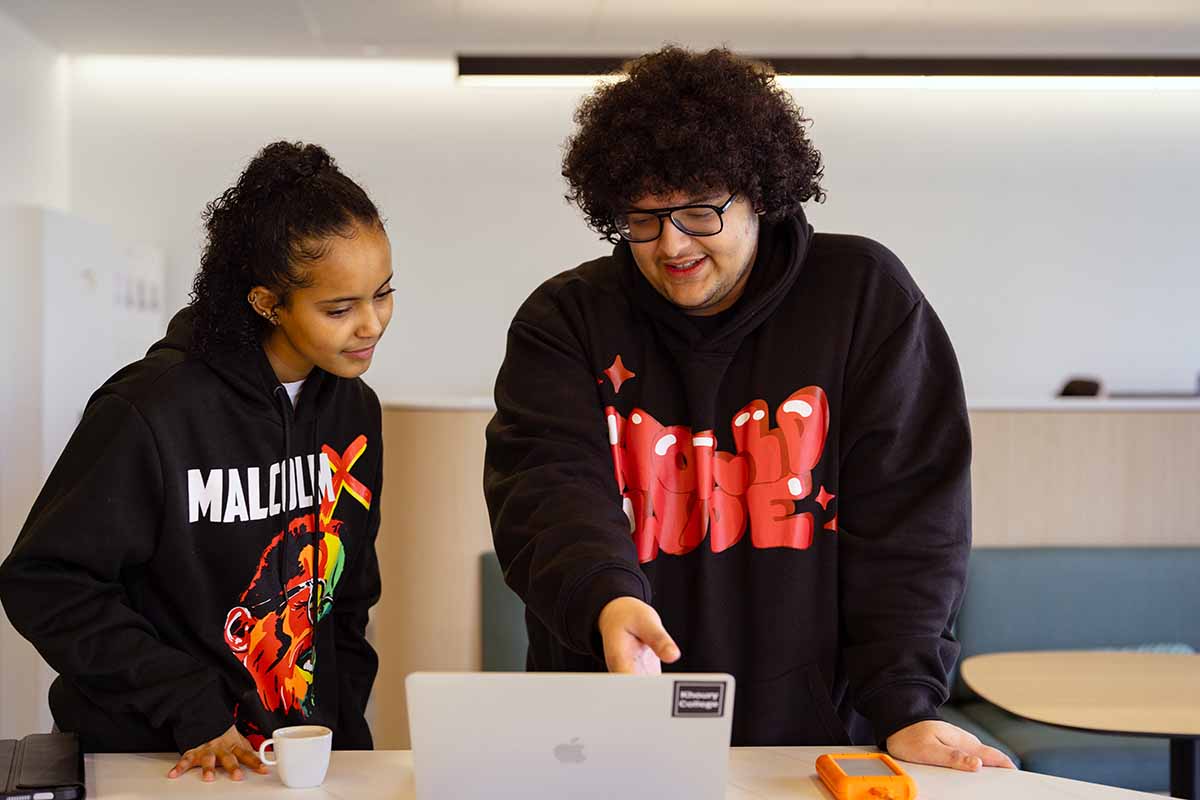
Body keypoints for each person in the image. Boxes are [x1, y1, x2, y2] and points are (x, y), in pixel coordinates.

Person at [484, 47, 1014, 771]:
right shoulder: (565, 320)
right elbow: (547, 491)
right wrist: (606, 600)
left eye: (701, 211)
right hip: (608, 723)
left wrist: (904, 704)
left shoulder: (863, 300)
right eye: (642, 217)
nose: (672, 244)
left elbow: (910, 521)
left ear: (760, 192)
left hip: (816, 745)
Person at [0, 141, 392, 782]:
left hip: (291, 762)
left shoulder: (354, 412)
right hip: (158, 757)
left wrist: (347, 741)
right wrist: (189, 705)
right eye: (339, 309)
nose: (372, 325)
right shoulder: (151, 410)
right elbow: (46, 583)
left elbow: (347, 602)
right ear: (269, 302)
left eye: (383, 294)